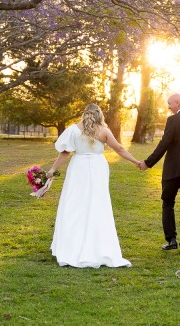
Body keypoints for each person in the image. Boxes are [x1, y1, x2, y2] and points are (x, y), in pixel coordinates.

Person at [46, 103, 141, 268]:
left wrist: (53, 169)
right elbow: (118, 149)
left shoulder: (73, 129)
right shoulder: (104, 131)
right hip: (98, 167)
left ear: (85, 114)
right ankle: (97, 245)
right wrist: (136, 162)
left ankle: (70, 245)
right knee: (97, 204)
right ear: (99, 115)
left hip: (78, 167)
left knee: (74, 204)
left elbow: (65, 152)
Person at [139, 93, 180, 256]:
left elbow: (164, 144)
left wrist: (148, 163)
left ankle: (171, 240)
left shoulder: (173, 120)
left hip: (173, 170)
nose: (168, 107)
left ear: (177, 103)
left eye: (170, 104)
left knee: (168, 202)